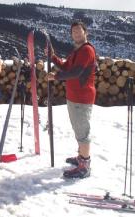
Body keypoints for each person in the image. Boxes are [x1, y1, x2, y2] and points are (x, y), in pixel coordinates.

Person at [47, 21, 97, 178]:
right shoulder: (77, 51)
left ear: (85, 32)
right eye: (73, 31)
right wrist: (53, 58)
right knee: (79, 129)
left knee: (82, 131)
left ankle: (85, 166)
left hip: (82, 97)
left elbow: (76, 72)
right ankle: (81, 157)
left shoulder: (86, 50)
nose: (76, 33)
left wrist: (56, 76)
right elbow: (66, 67)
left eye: (78, 31)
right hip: (74, 96)